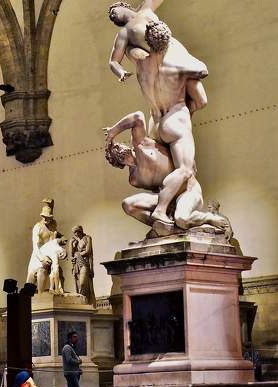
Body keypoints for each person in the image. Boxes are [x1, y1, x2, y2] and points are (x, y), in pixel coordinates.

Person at [108, 1, 208, 226]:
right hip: (174, 116)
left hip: (156, 119)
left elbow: (115, 60)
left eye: (114, 12)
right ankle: (161, 211)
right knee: (184, 170)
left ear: (126, 5)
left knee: (164, 177)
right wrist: (186, 111)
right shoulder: (175, 64)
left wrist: (124, 65)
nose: (114, 17)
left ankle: (166, 217)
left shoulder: (139, 56)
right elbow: (202, 97)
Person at [103, 111, 231, 235]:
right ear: (117, 163)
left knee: (182, 219)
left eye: (117, 146)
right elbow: (158, 190)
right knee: (128, 205)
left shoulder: (142, 143)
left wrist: (113, 131)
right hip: (167, 200)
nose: (117, 150)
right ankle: (167, 229)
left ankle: (207, 218)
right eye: (113, 153)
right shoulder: (135, 179)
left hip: (187, 191)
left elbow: (137, 117)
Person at [26, 198, 66, 294]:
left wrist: (62, 238)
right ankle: (39, 296)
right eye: (43, 217)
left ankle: (58, 291)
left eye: (48, 217)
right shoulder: (38, 227)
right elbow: (35, 246)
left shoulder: (53, 224)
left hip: (51, 254)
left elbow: (55, 235)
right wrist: (42, 258)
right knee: (37, 276)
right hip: (39, 256)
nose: (45, 219)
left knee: (59, 274)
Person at [69, 225, 96, 305]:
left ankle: (86, 301)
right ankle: (83, 302)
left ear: (80, 231)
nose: (76, 234)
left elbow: (88, 251)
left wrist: (78, 254)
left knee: (82, 283)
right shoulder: (75, 241)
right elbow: (71, 254)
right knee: (78, 284)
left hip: (85, 263)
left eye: (77, 232)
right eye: (74, 233)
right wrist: (71, 244)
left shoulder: (87, 238)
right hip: (77, 264)